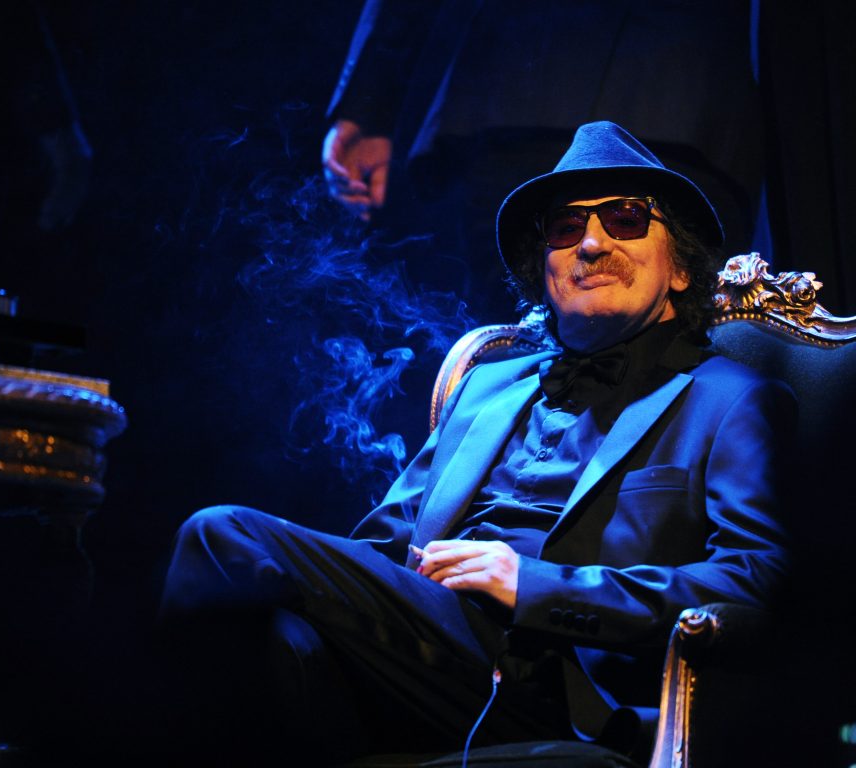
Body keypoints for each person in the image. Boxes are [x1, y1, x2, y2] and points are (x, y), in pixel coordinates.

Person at [159, 121, 793, 764]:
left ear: (680, 267)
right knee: (254, 625)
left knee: (221, 534)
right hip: (425, 658)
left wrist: (534, 585)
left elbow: (759, 583)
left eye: (626, 219)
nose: (592, 242)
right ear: (542, 271)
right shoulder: (487, 387)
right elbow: (382, 548)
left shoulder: (730, 399)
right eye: (566, 227)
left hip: (560, 686)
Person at [322, 2, 766, 323]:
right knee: (510, 361)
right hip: (679, 99)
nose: (592, 243)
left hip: (538, 89)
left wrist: (369, 106)